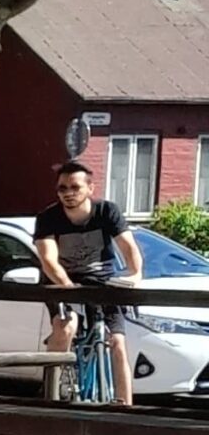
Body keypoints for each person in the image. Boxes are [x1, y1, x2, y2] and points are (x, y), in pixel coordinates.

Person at [33, 159, 142, 405]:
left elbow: (128, 247)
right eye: (63, 188)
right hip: (62, 282)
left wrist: (135, 275)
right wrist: (68, 288)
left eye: (75, 187)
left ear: (90, 189)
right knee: (66, 326)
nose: (68, 193)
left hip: (101, 283)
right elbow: (48, 259)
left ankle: (125, 407)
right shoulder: (48, 218)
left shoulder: (107, 211)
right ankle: (51, 393)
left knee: (118, 343)